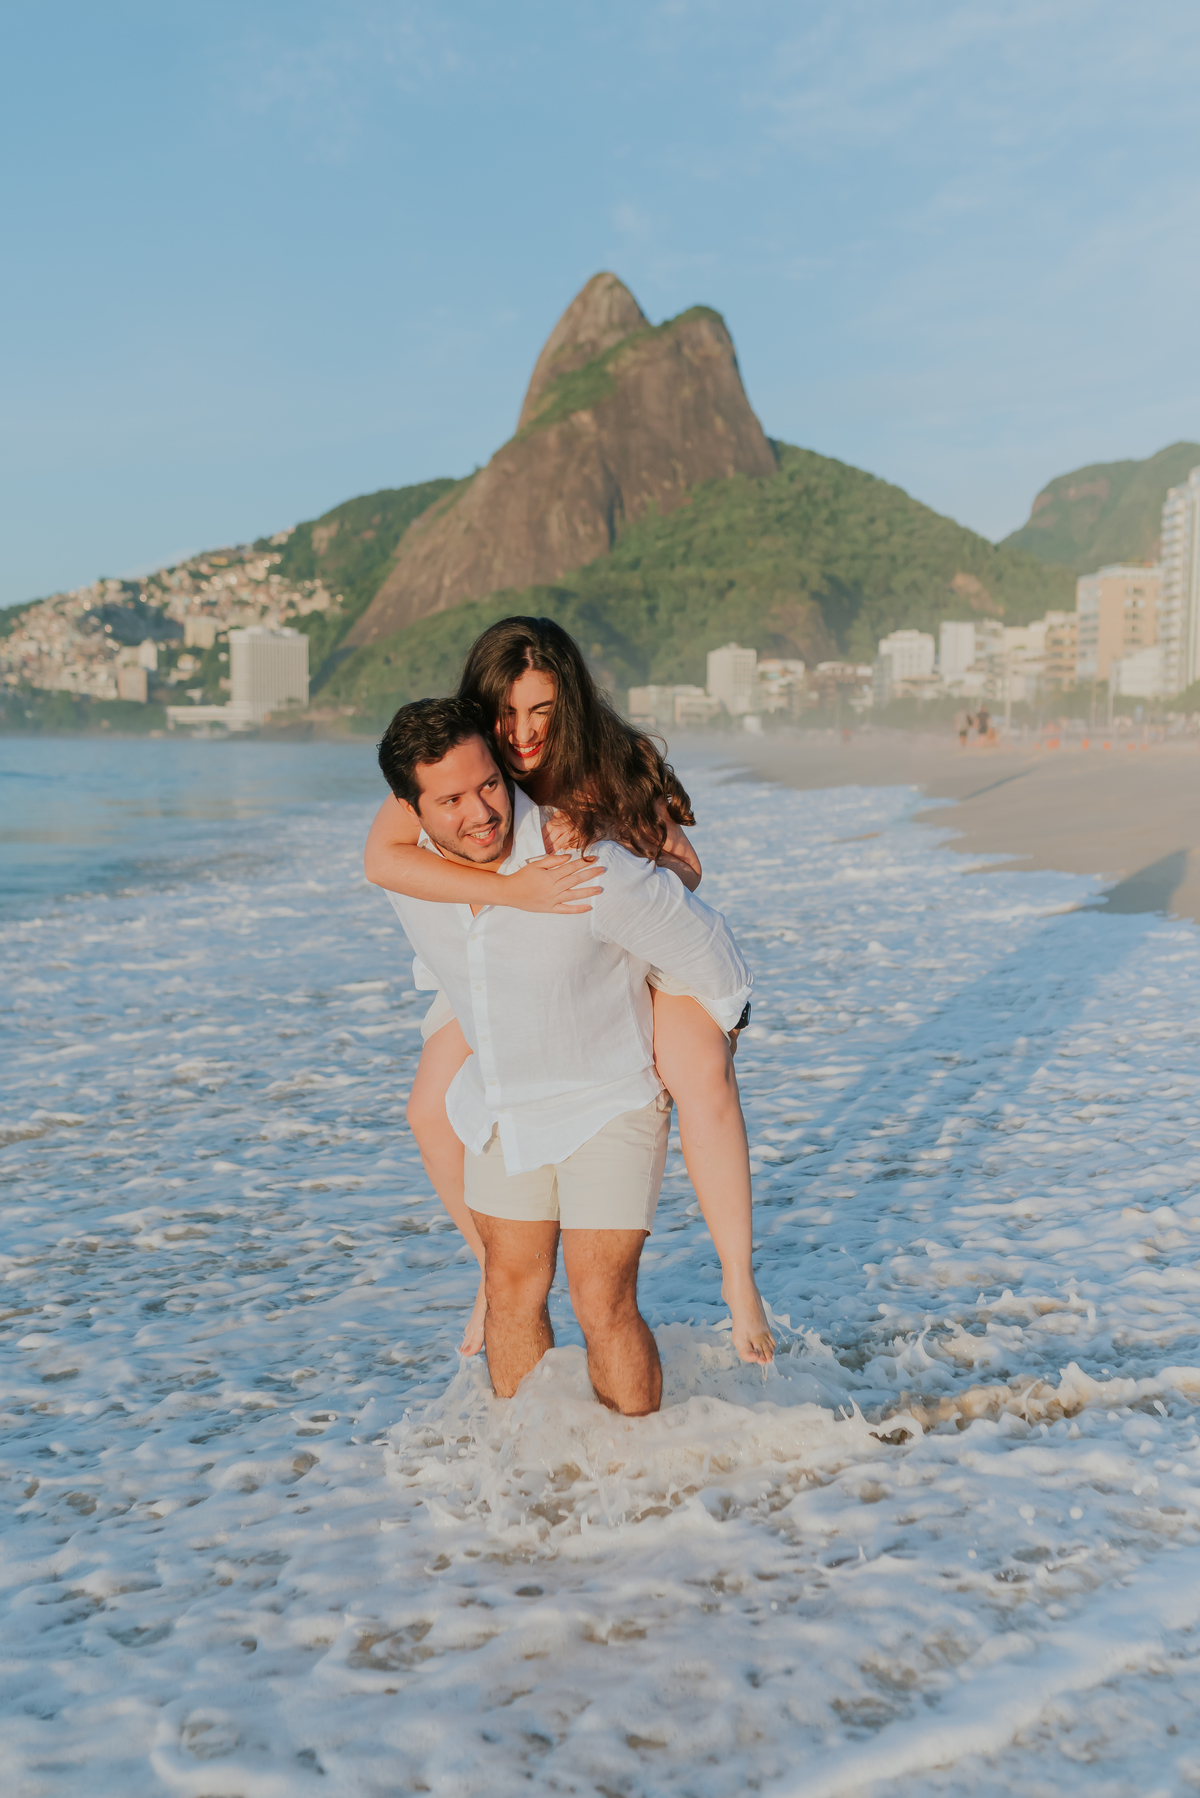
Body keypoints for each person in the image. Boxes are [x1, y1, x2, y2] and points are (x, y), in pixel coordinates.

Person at [364, 616, 775, 1368]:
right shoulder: (457, 762)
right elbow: (384, 858)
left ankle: (739, 1279)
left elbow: (686, 873)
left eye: (541, 714)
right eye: (507, 714)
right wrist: (507, 888)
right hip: (506, 952)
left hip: (624, 950)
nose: (521, 736)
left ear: (571, 708)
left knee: (698, 1072)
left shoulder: (613, 764)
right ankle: (491, 1274)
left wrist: (619, 850)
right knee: (429, 1109)